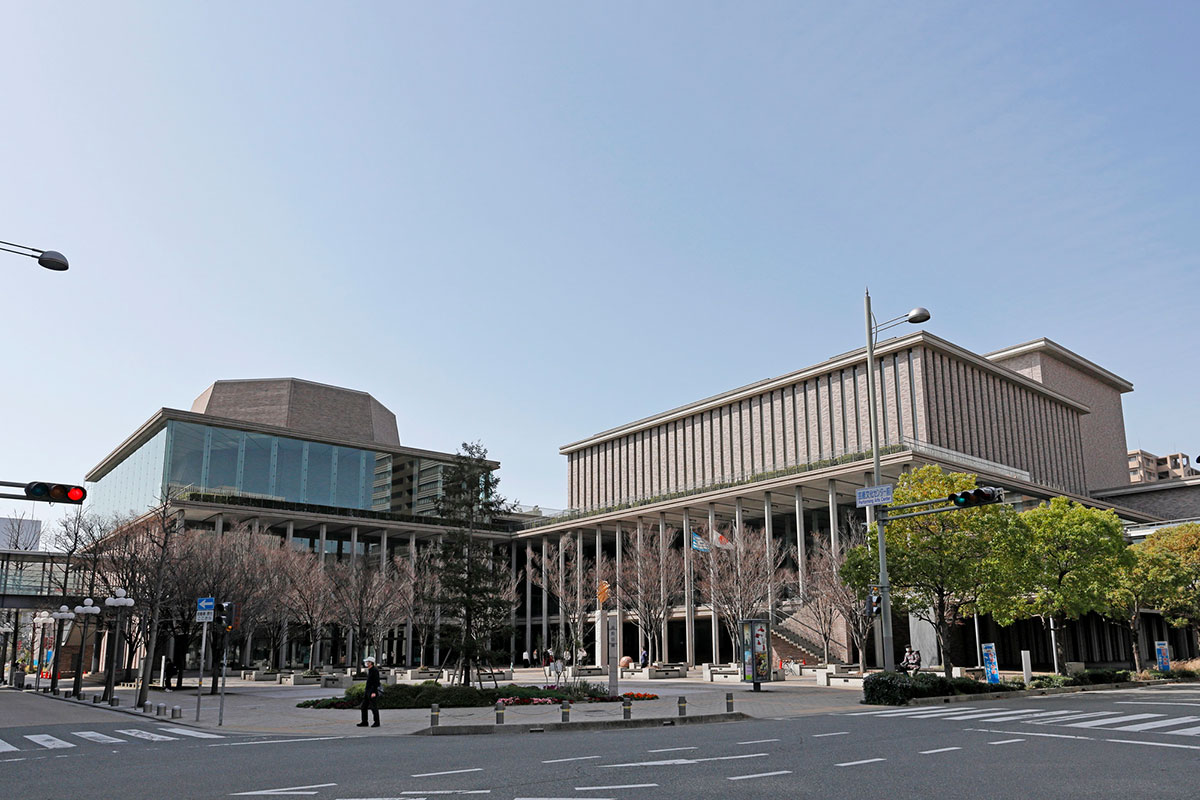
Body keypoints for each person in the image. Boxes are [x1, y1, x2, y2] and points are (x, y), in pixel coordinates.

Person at [357, 656, 381, 728]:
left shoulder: (374, 670)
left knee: (374, 707)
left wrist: (374, 692)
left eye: (367, 662)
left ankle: (377, 722)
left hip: (372, 691)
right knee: (363, 706)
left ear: (371, 663)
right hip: (367, 691)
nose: (366, 663)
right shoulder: (370, 670)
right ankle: (364, 722)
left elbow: (376, 682)